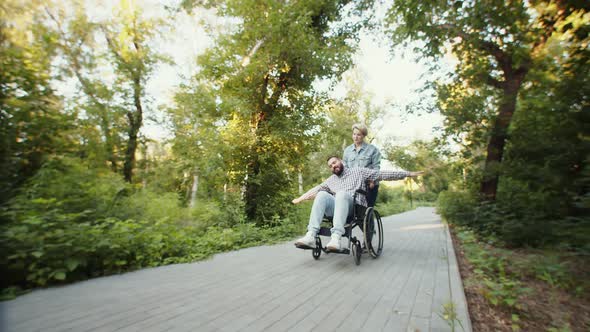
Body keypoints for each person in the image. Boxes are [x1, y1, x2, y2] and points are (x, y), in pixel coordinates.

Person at [292, 156, 423, 251]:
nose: (333, 166)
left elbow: (381, 174)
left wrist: (407, 174)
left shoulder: (358, 171)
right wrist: (300, 198)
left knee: (342, 193)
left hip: (355, 207)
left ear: (341, 161)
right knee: (321, 194)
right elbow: (315, 189)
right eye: (330, 166)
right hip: (337, 207)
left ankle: (336, 237)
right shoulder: (331, 180)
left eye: (334, 162)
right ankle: (310, 235)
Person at [343, 123, 381, 207]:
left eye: (358, 135)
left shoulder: (372, 150)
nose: (355, 137)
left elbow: (376, 167)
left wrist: (373, 181)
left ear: (363, 136)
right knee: (352, 210)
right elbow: (345, 168)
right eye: (354, 134)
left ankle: (369, 219)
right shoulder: (347, 151)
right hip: (353, 185)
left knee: (366, 210)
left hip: (369, 184)